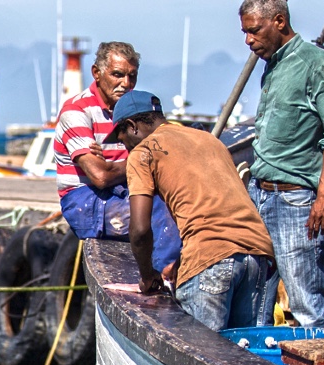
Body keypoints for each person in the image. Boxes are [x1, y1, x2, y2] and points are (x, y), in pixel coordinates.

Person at [108, 90, 275, 331]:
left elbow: (140, 230)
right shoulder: (208, 140)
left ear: (133, 126)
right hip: (257, 254)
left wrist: (148, 276)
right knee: (243, 351)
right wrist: (180, 263)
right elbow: (216, 212)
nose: (125, 147)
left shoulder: (143, 153)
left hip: (211, 260)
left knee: (203, 352)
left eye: (122, 138)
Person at [240, 0, 324, 329]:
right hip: (261, 194)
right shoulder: (273, 66)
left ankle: (320, 364)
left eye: (254, 30)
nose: (248, 40)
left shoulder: (316, 64)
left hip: (295, 200)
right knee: (255, 298)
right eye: (245, 32)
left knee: (308, 303)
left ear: (279, 21)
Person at [53, 41, 180, 274]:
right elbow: (100, 176)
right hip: (84, 198)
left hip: (124, 188)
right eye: (118, 75)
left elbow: (153, 155)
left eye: (132, 76)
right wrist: (145, 158)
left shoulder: (132, 111)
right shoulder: (76, 111)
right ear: (96, 73)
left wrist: (118, 164)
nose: (126, 83)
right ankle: (166, 272)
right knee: (159, 208)